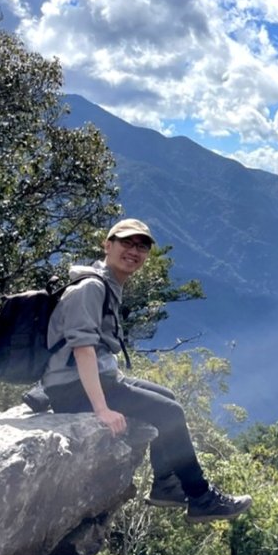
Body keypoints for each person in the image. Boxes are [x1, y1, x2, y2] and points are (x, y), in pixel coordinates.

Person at [41, 218, 252, 522]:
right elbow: (82, 348)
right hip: (72, 389)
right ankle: (200, 497)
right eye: (126, 243)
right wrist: (101, 409)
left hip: (87, 379)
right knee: (170, 414)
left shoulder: (107, 283)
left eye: (141, 246)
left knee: (168, 398)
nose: (134, 251)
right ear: (107, 245)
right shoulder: (91, 288)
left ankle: (165, 484)